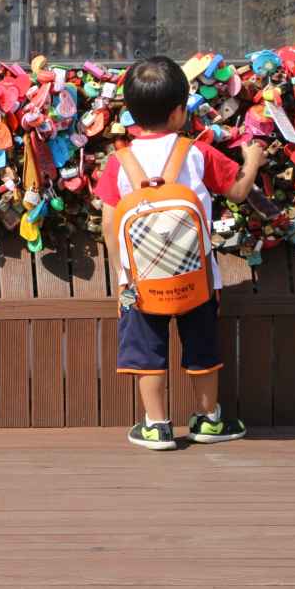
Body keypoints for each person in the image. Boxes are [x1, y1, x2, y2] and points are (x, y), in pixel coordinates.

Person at [95, 56, 265, 450]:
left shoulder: (119, 162)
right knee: (201, 347)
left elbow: (109, 222)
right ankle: (209, 420)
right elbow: (238, 191)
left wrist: (122, 273)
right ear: (177, 112)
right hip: (198, 279)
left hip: (139, 282)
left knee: (146, 352)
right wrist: (253, 160)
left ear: (131, 114)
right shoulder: (195, 153)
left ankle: (156, 425)